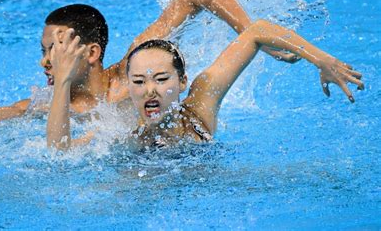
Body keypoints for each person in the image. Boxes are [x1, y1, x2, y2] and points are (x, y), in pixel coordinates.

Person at [0, 0, 298, 132]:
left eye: (53, 50)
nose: (44, 61)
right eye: (43, 52)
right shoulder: (48, 105)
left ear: (92, 52)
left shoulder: (135, 68)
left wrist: (255, 39)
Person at [46, 20, 364, 150]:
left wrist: (321, 60)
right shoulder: (122, 125)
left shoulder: (201, 102)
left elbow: (257, 31)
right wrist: (61, 83)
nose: (150, 90)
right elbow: (59, 155)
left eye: (161, 79)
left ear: (182, 81)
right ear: (129, 86)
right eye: (139, 82)